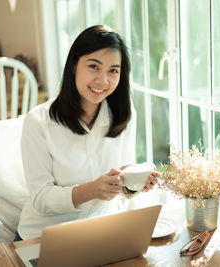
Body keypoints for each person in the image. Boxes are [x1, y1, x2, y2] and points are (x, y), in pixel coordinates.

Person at [15, 25, 159, 241]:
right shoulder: (38, 122)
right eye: (94, 66)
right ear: (74, 65)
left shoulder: (123, 114)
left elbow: (121, 175)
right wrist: (91, 190)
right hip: (45, 236)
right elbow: (41, 198)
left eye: (113, 70)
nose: (103, 81)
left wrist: (133, 185)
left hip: (102, 232)